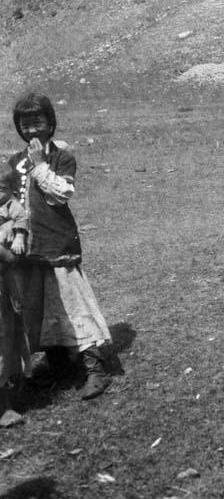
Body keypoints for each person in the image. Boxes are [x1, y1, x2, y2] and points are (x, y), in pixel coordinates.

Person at [8, 92, 112, 400]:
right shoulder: (15, 163)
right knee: (39, 306)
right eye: (25, 124)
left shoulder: (61, 157)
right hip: (28, 248)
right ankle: (58, 365)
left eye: (37, 122)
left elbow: (61, 194)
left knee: (71, 302)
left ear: (51, 123)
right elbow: (8, 197)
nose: (32, 130)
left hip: (57, 243)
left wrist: (40, 165)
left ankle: (95, 368)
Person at [0, 164, 30, 422]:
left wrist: (15, 234)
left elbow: (11, 259)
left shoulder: (11, 209)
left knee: (4, 342)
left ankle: (4, 403)